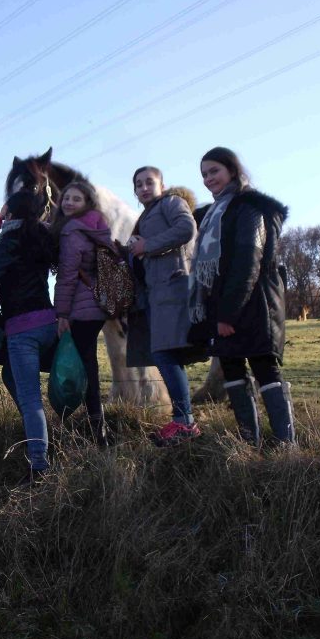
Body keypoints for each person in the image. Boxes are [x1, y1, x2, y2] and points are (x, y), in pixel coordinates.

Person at [190, 147, 295, 445]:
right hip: (226, 306)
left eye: (214, 171)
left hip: (254, 306)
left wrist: (227, 314)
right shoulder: (211, 215)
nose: (209, 179)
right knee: (233, 370)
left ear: (232, 171)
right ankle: (251, 444)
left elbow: (249, 260)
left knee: (265, 369)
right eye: (204, 175)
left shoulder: (248, 208)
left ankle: (286, 446)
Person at [0, 190, 57, 484]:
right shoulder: (41, 237)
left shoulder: (9, 242)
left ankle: (39, 466)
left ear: (11, 215)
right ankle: (40, 434)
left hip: (21, 329)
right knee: (10, 377)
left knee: (30, 400)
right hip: (48, 322)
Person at [128, 166, 201, 446]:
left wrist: (148, 245)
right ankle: (183, 420)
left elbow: (186, 228)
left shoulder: (172, 203)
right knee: (165, 354)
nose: (144, 188)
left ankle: (185, 422)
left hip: (173, 288)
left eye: (149, 182)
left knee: (163, 354)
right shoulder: (146, 215)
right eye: (138, 185)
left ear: (162, 184)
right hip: (157, 293)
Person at [50, 181, 113, 445]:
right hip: (98, 304)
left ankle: (94, 427)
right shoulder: (96, 225)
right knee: (89, 363)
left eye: (76, 199)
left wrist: (61, 313)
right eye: (66, 198)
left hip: (80, 306)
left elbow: (66, 276)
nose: (69, 203)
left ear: (87, 202)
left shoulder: (72, 230)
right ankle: (97, 425)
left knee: (83, 365)